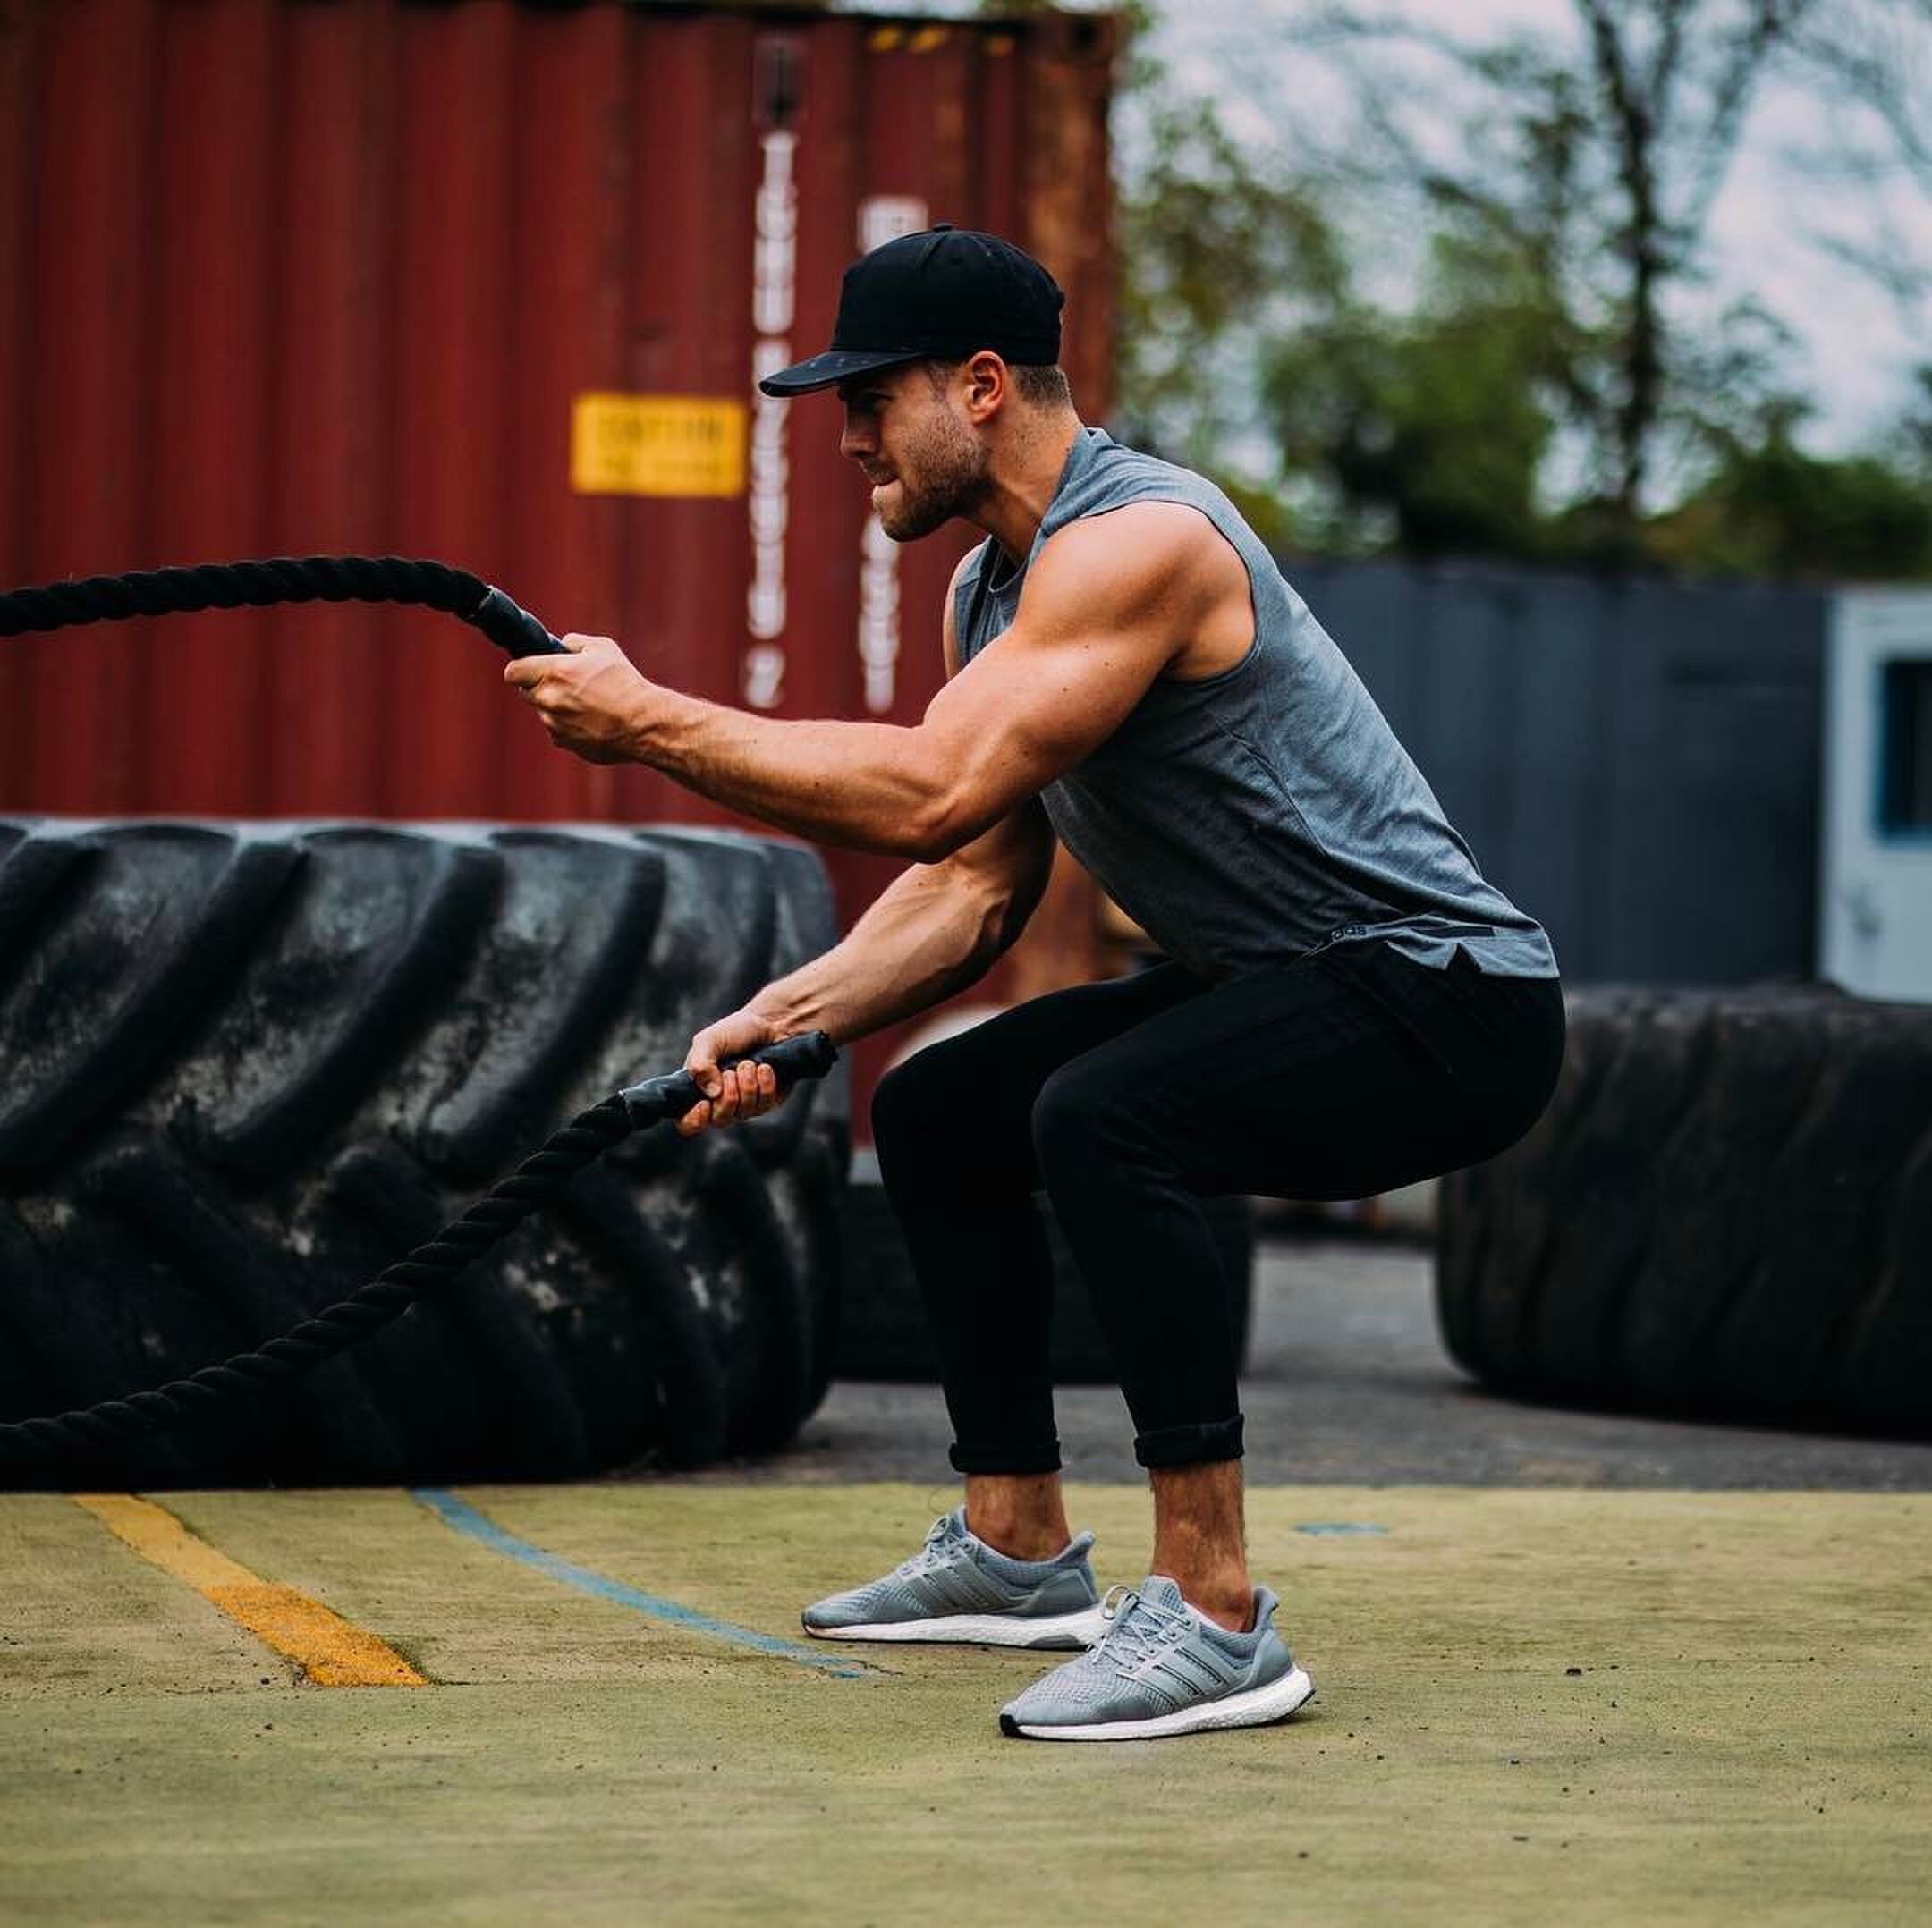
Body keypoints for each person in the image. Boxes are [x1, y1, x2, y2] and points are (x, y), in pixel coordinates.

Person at [505, 224, 1565, 1742]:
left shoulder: (1144, 541)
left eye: (873, 399)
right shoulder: (991, 595)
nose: (851, 437)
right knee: (946, 1104)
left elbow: (931, 791)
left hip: (1450, 999)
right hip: (1288, 980)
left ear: (983, 385)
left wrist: (651, 721)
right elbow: (976, 883)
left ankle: (1215, 1615)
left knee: (1107, 1114)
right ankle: (1013, 1547)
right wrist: (790, 1021)